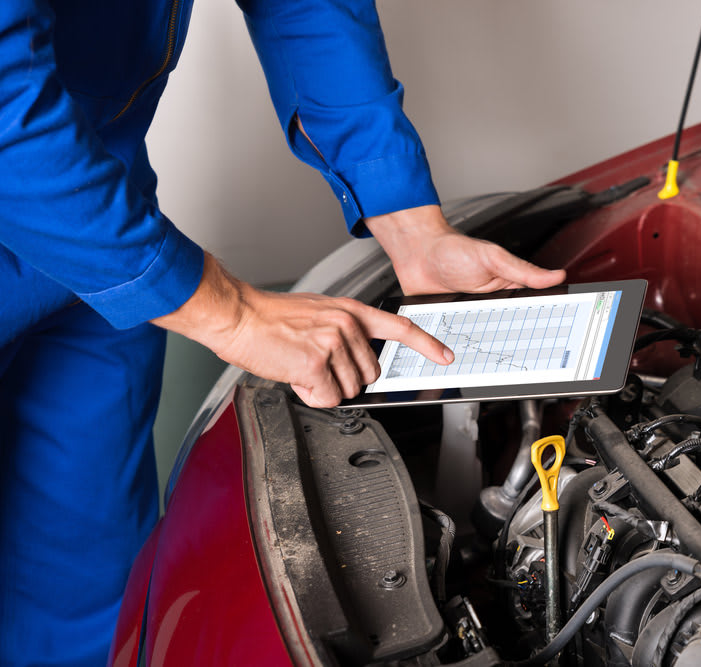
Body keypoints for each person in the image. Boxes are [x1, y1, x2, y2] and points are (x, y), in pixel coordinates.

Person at [0, 1, 564, 664]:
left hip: (104, 249)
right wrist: (232, 313)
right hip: (95, 234)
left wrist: (410, 224)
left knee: (90, 603)